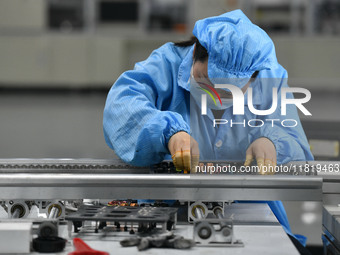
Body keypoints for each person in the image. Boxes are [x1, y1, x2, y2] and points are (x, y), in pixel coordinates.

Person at [103, 10, 313, 248]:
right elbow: (121, 105)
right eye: (205, 80)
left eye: (227, 91)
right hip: (164, 207)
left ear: (253, 79)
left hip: (247, 207)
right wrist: (167, 133)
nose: (214, 97)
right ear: (195, 54)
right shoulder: (166, 63)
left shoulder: (267, 76)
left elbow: (294, 142)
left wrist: (272, 142)